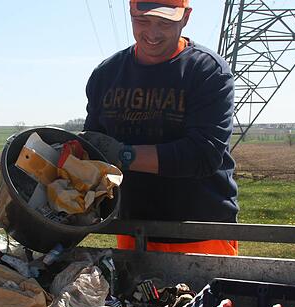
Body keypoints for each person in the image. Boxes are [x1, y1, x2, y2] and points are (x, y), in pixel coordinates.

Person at [81, 0, 239, 256]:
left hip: (200, 232)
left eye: (164, 23)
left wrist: (123, 155)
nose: (152, 33)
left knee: (204, 297)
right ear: (130, 14)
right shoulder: (107, 74)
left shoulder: (207, 71)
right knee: (133, 297)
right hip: (133, 227)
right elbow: (93, 147)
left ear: (185, 18)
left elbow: (202, 155)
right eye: (142, 21)